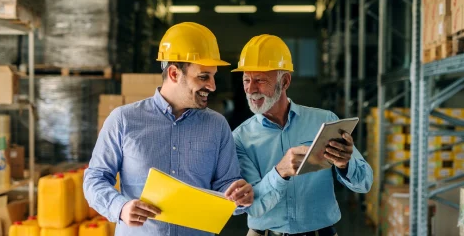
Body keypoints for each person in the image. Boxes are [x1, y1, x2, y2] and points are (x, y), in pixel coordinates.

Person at [84, 22, 254, 236]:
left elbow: (226, 186)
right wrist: (120, 207)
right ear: (174, 73)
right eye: (203, 77)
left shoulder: (217, 126)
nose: (212, 86)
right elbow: (95, 178)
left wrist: (238, 197)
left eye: (213, 76)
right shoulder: (123, 120)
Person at [231, 34, 373, 236]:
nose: (251, 89)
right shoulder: (239, 138)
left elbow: (365, 183)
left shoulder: (324, 121)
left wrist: (345, 164)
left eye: (260, 80)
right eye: (247, 80)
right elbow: (253, 205)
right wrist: (280, 172)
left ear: (285, 81)